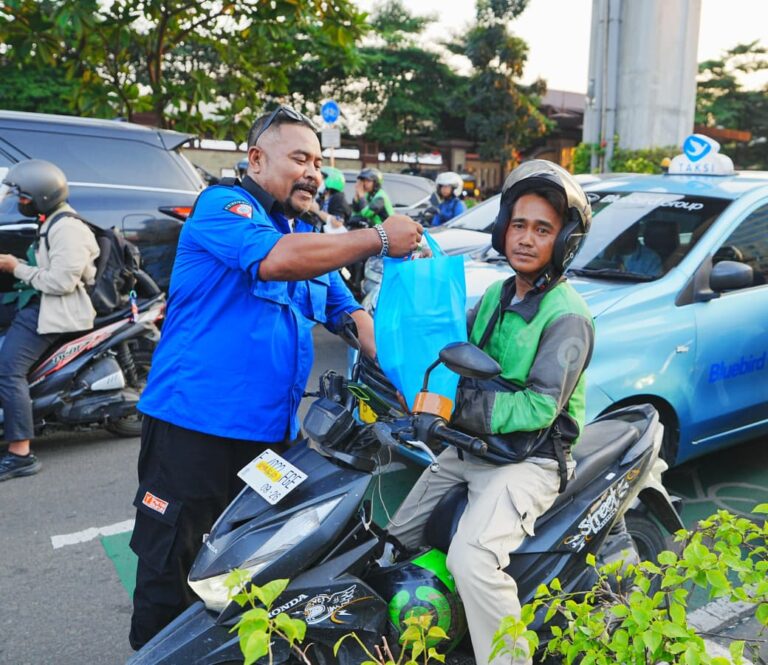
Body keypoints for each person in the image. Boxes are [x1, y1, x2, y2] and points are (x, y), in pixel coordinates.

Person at [129, 105, 423, 649]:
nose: (313, 172)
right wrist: (378, 238)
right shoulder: (224, 207)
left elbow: (353, 317)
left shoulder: (306, 238)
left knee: (254, 573)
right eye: (299, 158)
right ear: (256, 159)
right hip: (194, 432)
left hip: (270, 445)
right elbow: (275, 260)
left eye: (318, 161)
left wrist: (421, 386)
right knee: (170, 572)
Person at [387, 160, 595, 665]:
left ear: (563, 242)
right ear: (503, 230)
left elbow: (540, 405)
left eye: (542, 229)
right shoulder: (496, 297)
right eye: (518, 225)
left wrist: (455, 407)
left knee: (472, 557)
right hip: (472, 448)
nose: (525, 238)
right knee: (395, 536)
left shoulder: (567, 316)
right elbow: (451, 356)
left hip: (531, 460)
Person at [0, 159, 99, 481]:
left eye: (25, 198)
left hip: (57, 310)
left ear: (42, 197)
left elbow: (61, 282)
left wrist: (16, 267)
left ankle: (20, 453)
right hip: (41, 302)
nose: (20, 203)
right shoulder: (51, 220)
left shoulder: (68, 228)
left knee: (8, 371)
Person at [311, 165, 351, 234]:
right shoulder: (321, 199)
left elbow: (337, 222)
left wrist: (316, 211)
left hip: (335, 240)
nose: (319, 181)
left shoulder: (338, 198)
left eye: (322, 178)